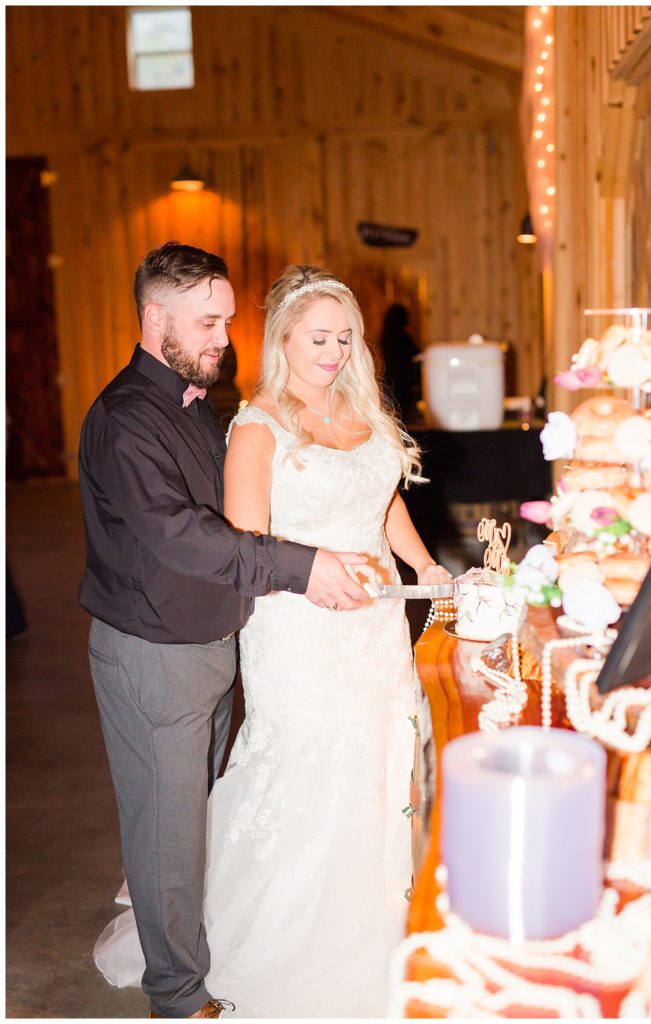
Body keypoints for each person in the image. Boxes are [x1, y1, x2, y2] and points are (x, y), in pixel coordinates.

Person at [93, 263, 451, 1017]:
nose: (333, 350)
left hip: (368, 622)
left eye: (344, 338)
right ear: (285, 340)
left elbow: (374, 497)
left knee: (381, 765)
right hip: (289, 627)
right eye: (318, 337)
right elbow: (221, 537)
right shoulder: (227, 421)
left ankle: (384, 918)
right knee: (277, 785)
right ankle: (227, 971)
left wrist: (422, 565)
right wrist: (311, 571)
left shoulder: (339, 410)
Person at [379, 303, 421, 423]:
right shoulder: (403, 337)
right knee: (404, 414)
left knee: (392, 414)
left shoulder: (385, 335)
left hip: (389, 377)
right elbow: (416, 355)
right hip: (403, 379)